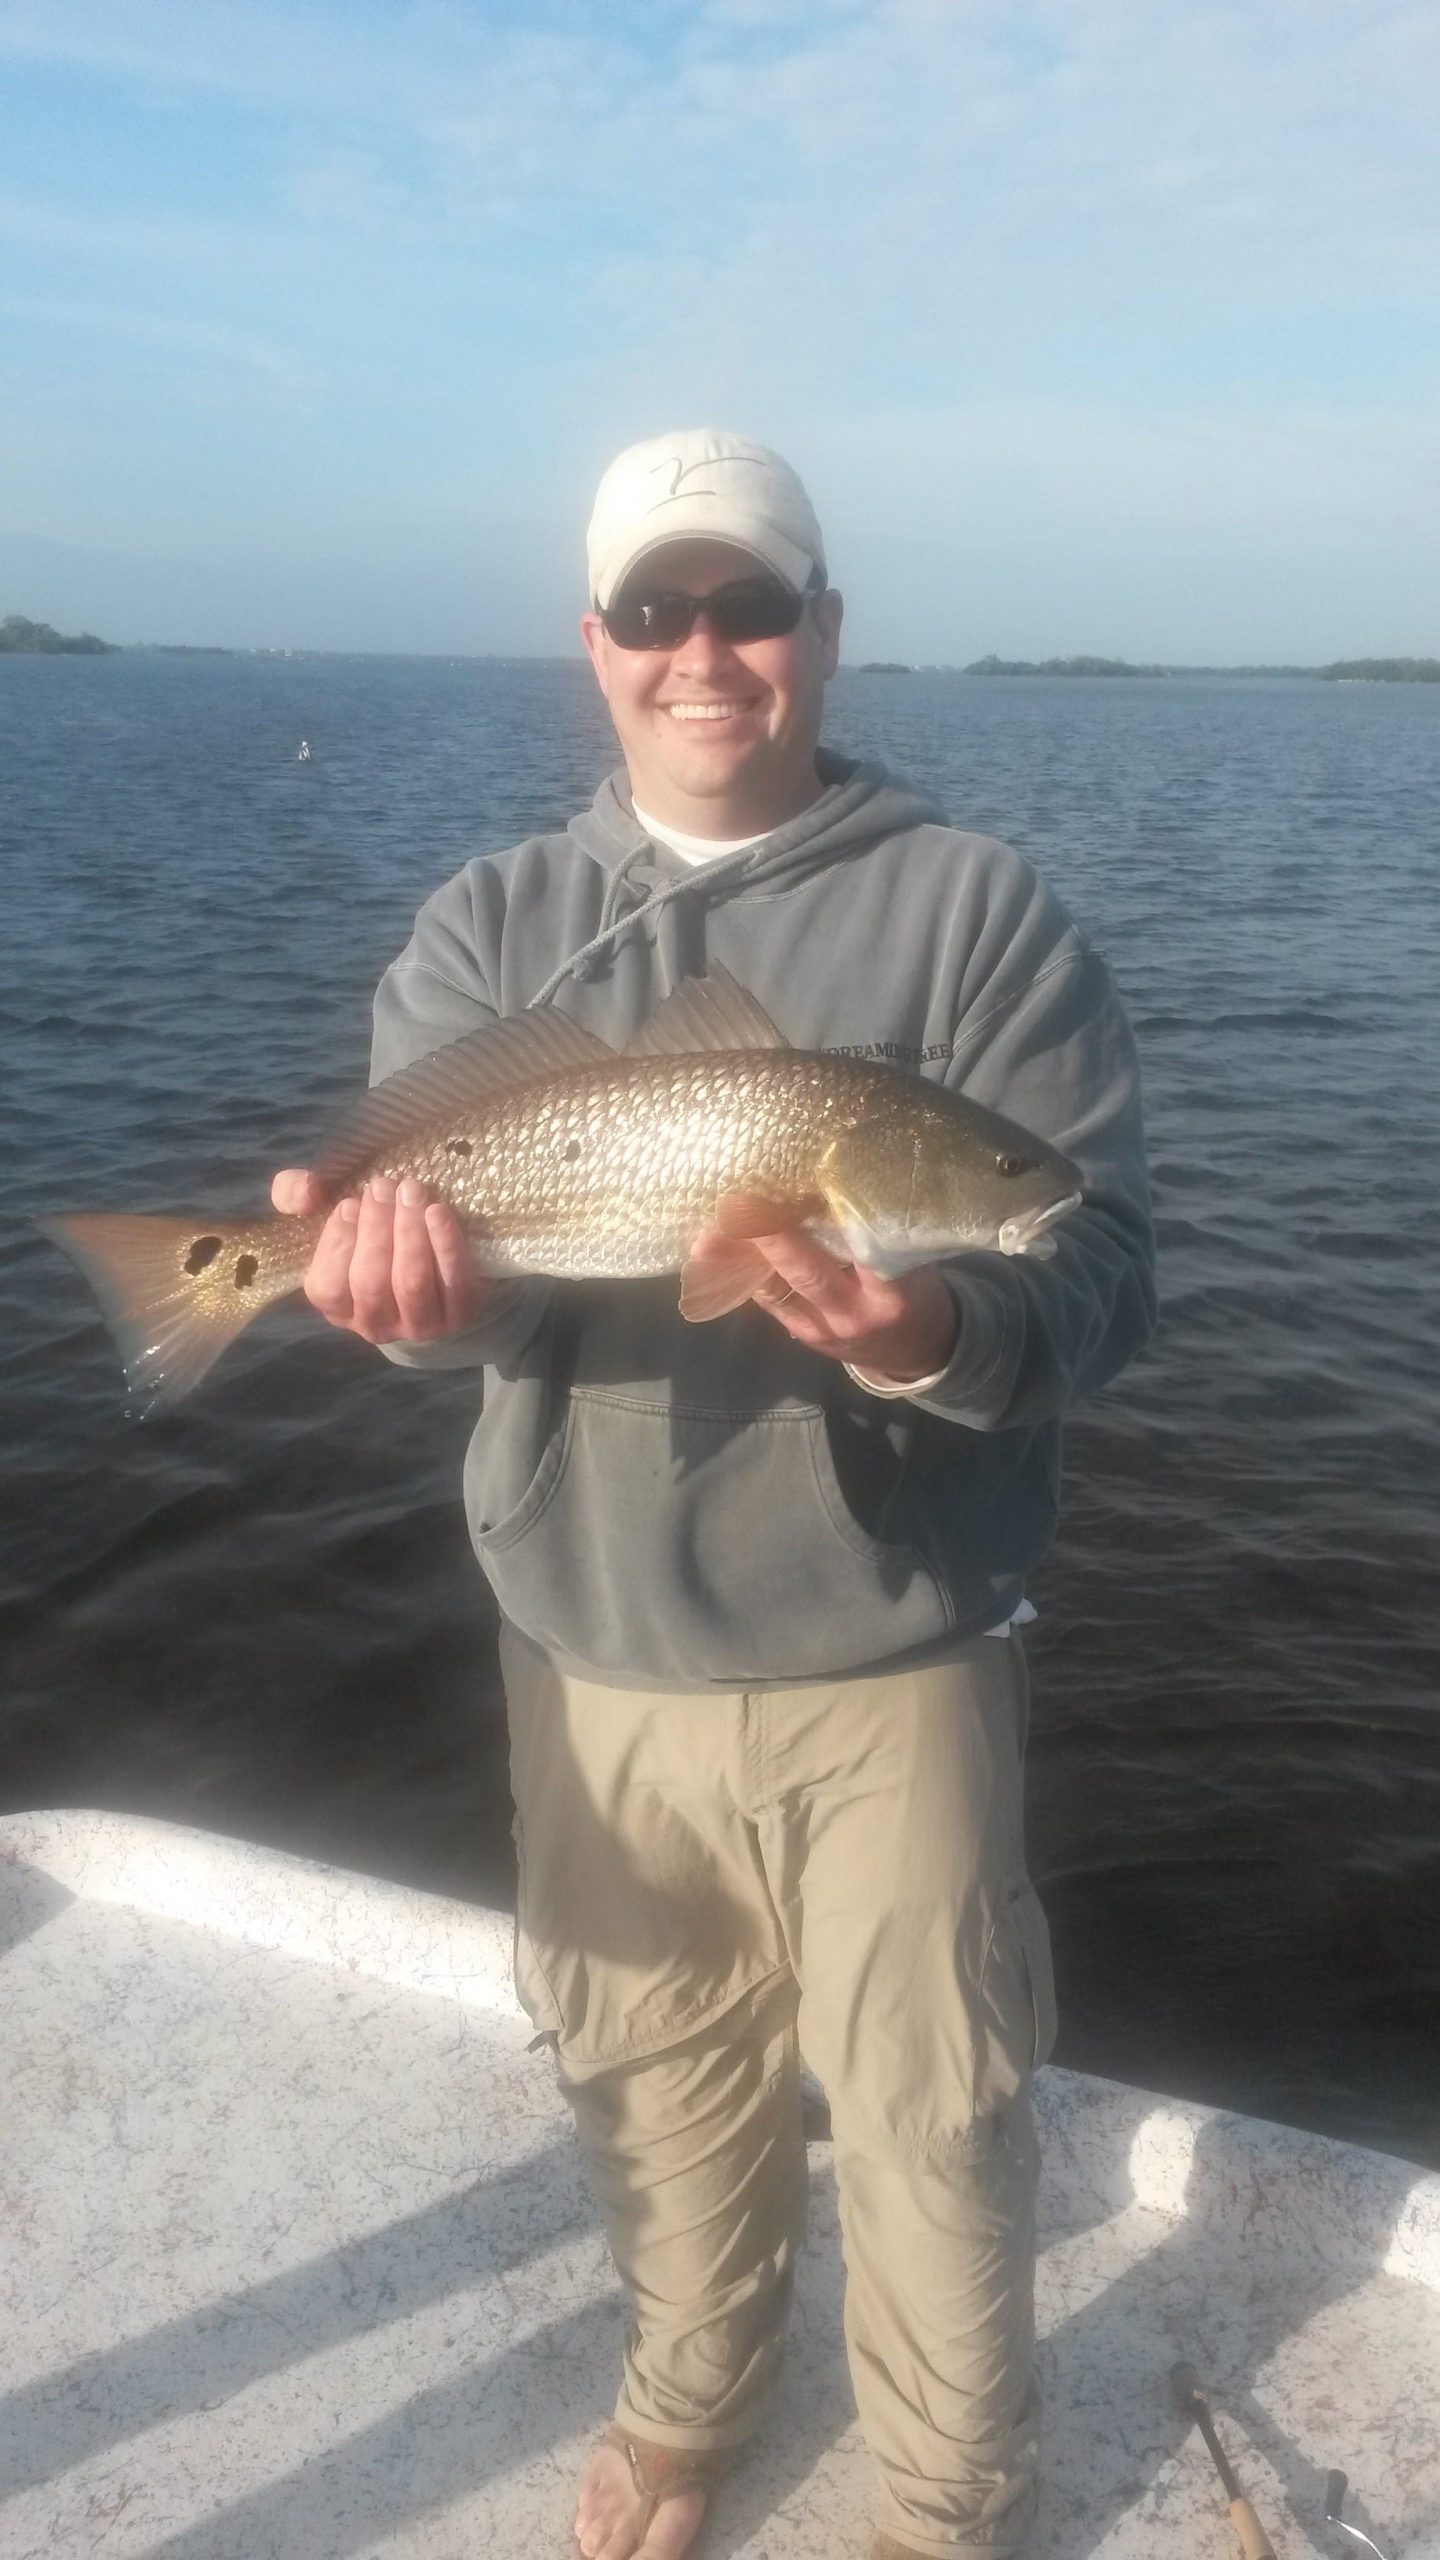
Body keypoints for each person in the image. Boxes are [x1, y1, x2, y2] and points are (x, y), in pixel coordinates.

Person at [273, 429, 1155, 2558]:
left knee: (937, 2108)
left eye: (749, 604)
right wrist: (402, 1306)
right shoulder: (494, 924)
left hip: (896, 1649)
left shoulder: (978, 914)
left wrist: (927, 1329)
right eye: (655, 609)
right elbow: (459, 1308)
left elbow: (1099, 1268)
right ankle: (691, 2401)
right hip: (594, 1645)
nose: (704, 649)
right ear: (593, 644)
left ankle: (946, 2498)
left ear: (825, 631)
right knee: (647, 2071)